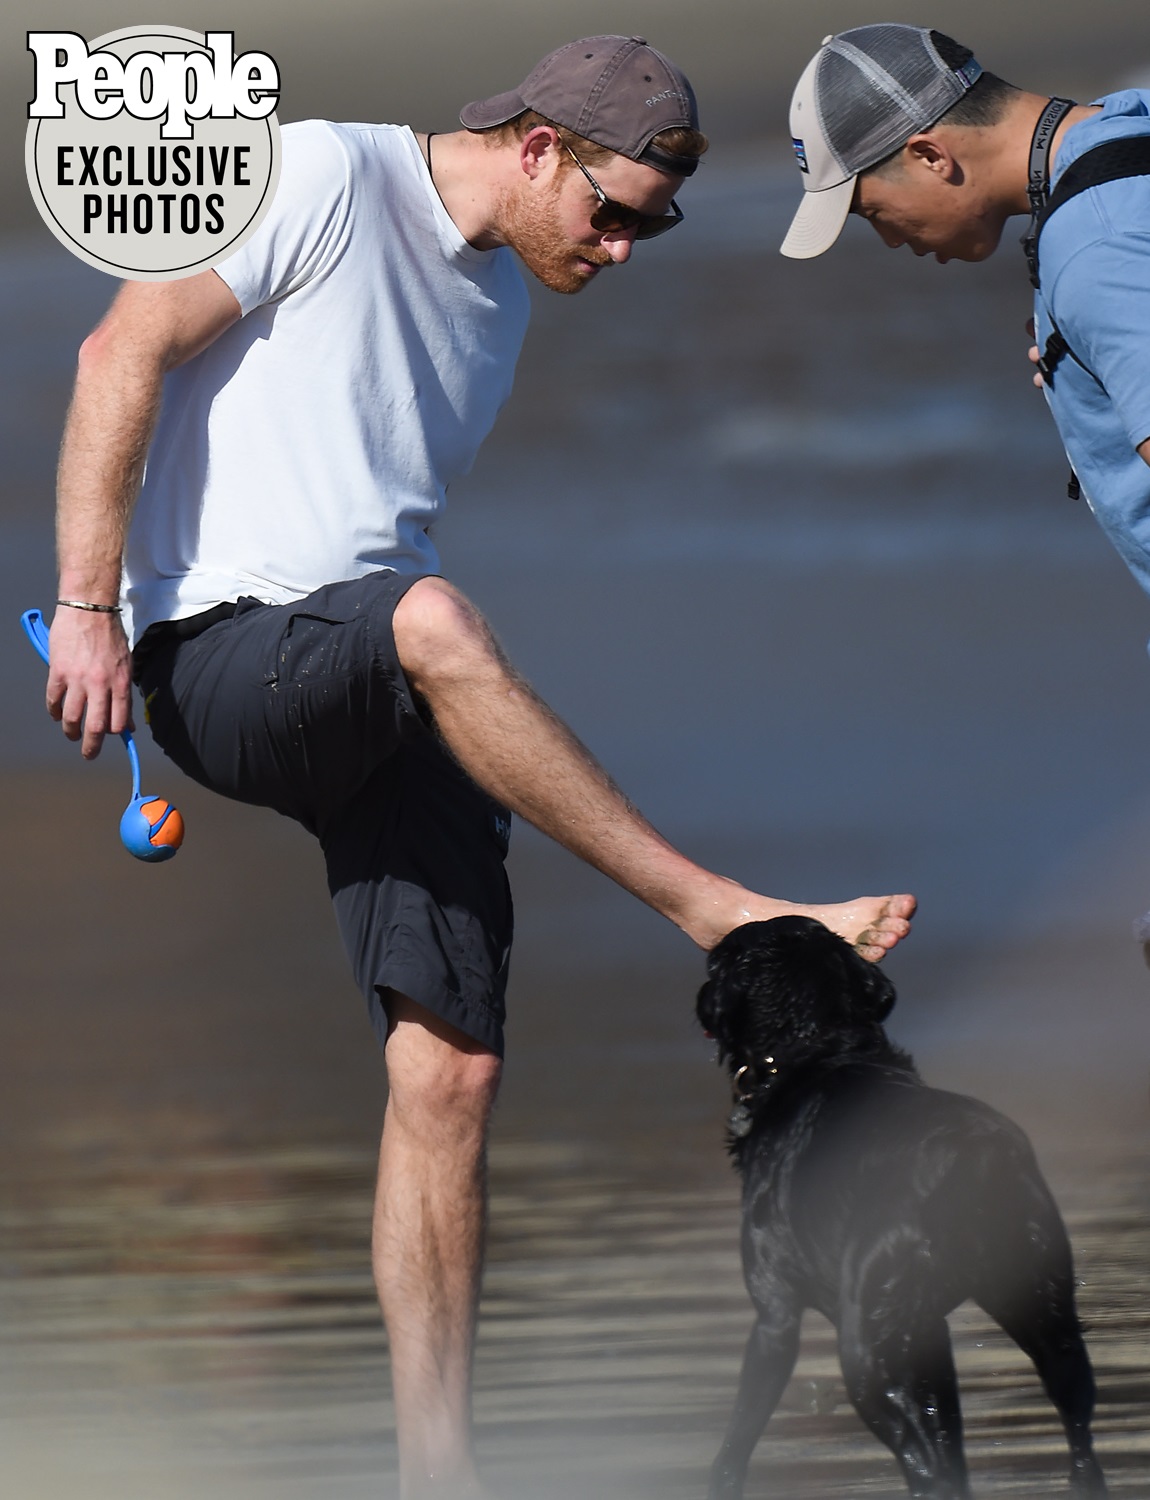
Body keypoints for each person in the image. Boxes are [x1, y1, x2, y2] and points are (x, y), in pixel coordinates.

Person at [47, 34, 914, 1498]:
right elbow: (117, 348)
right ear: (536, 146)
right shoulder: (319, 173)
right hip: (214, 656)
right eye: (616, 213)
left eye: (653, 229)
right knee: (434, 617)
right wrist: (86, 605)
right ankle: (715, 909)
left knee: (452, 1071)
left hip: (379, 680)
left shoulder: (501, 298)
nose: (623, 250)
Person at [780, 23, 1150, 603]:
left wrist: (1095, 305)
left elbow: (1110, 261)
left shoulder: (1094, 248)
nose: (890, 239)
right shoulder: (1129, 122)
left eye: (871, 212)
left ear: (930, 155)